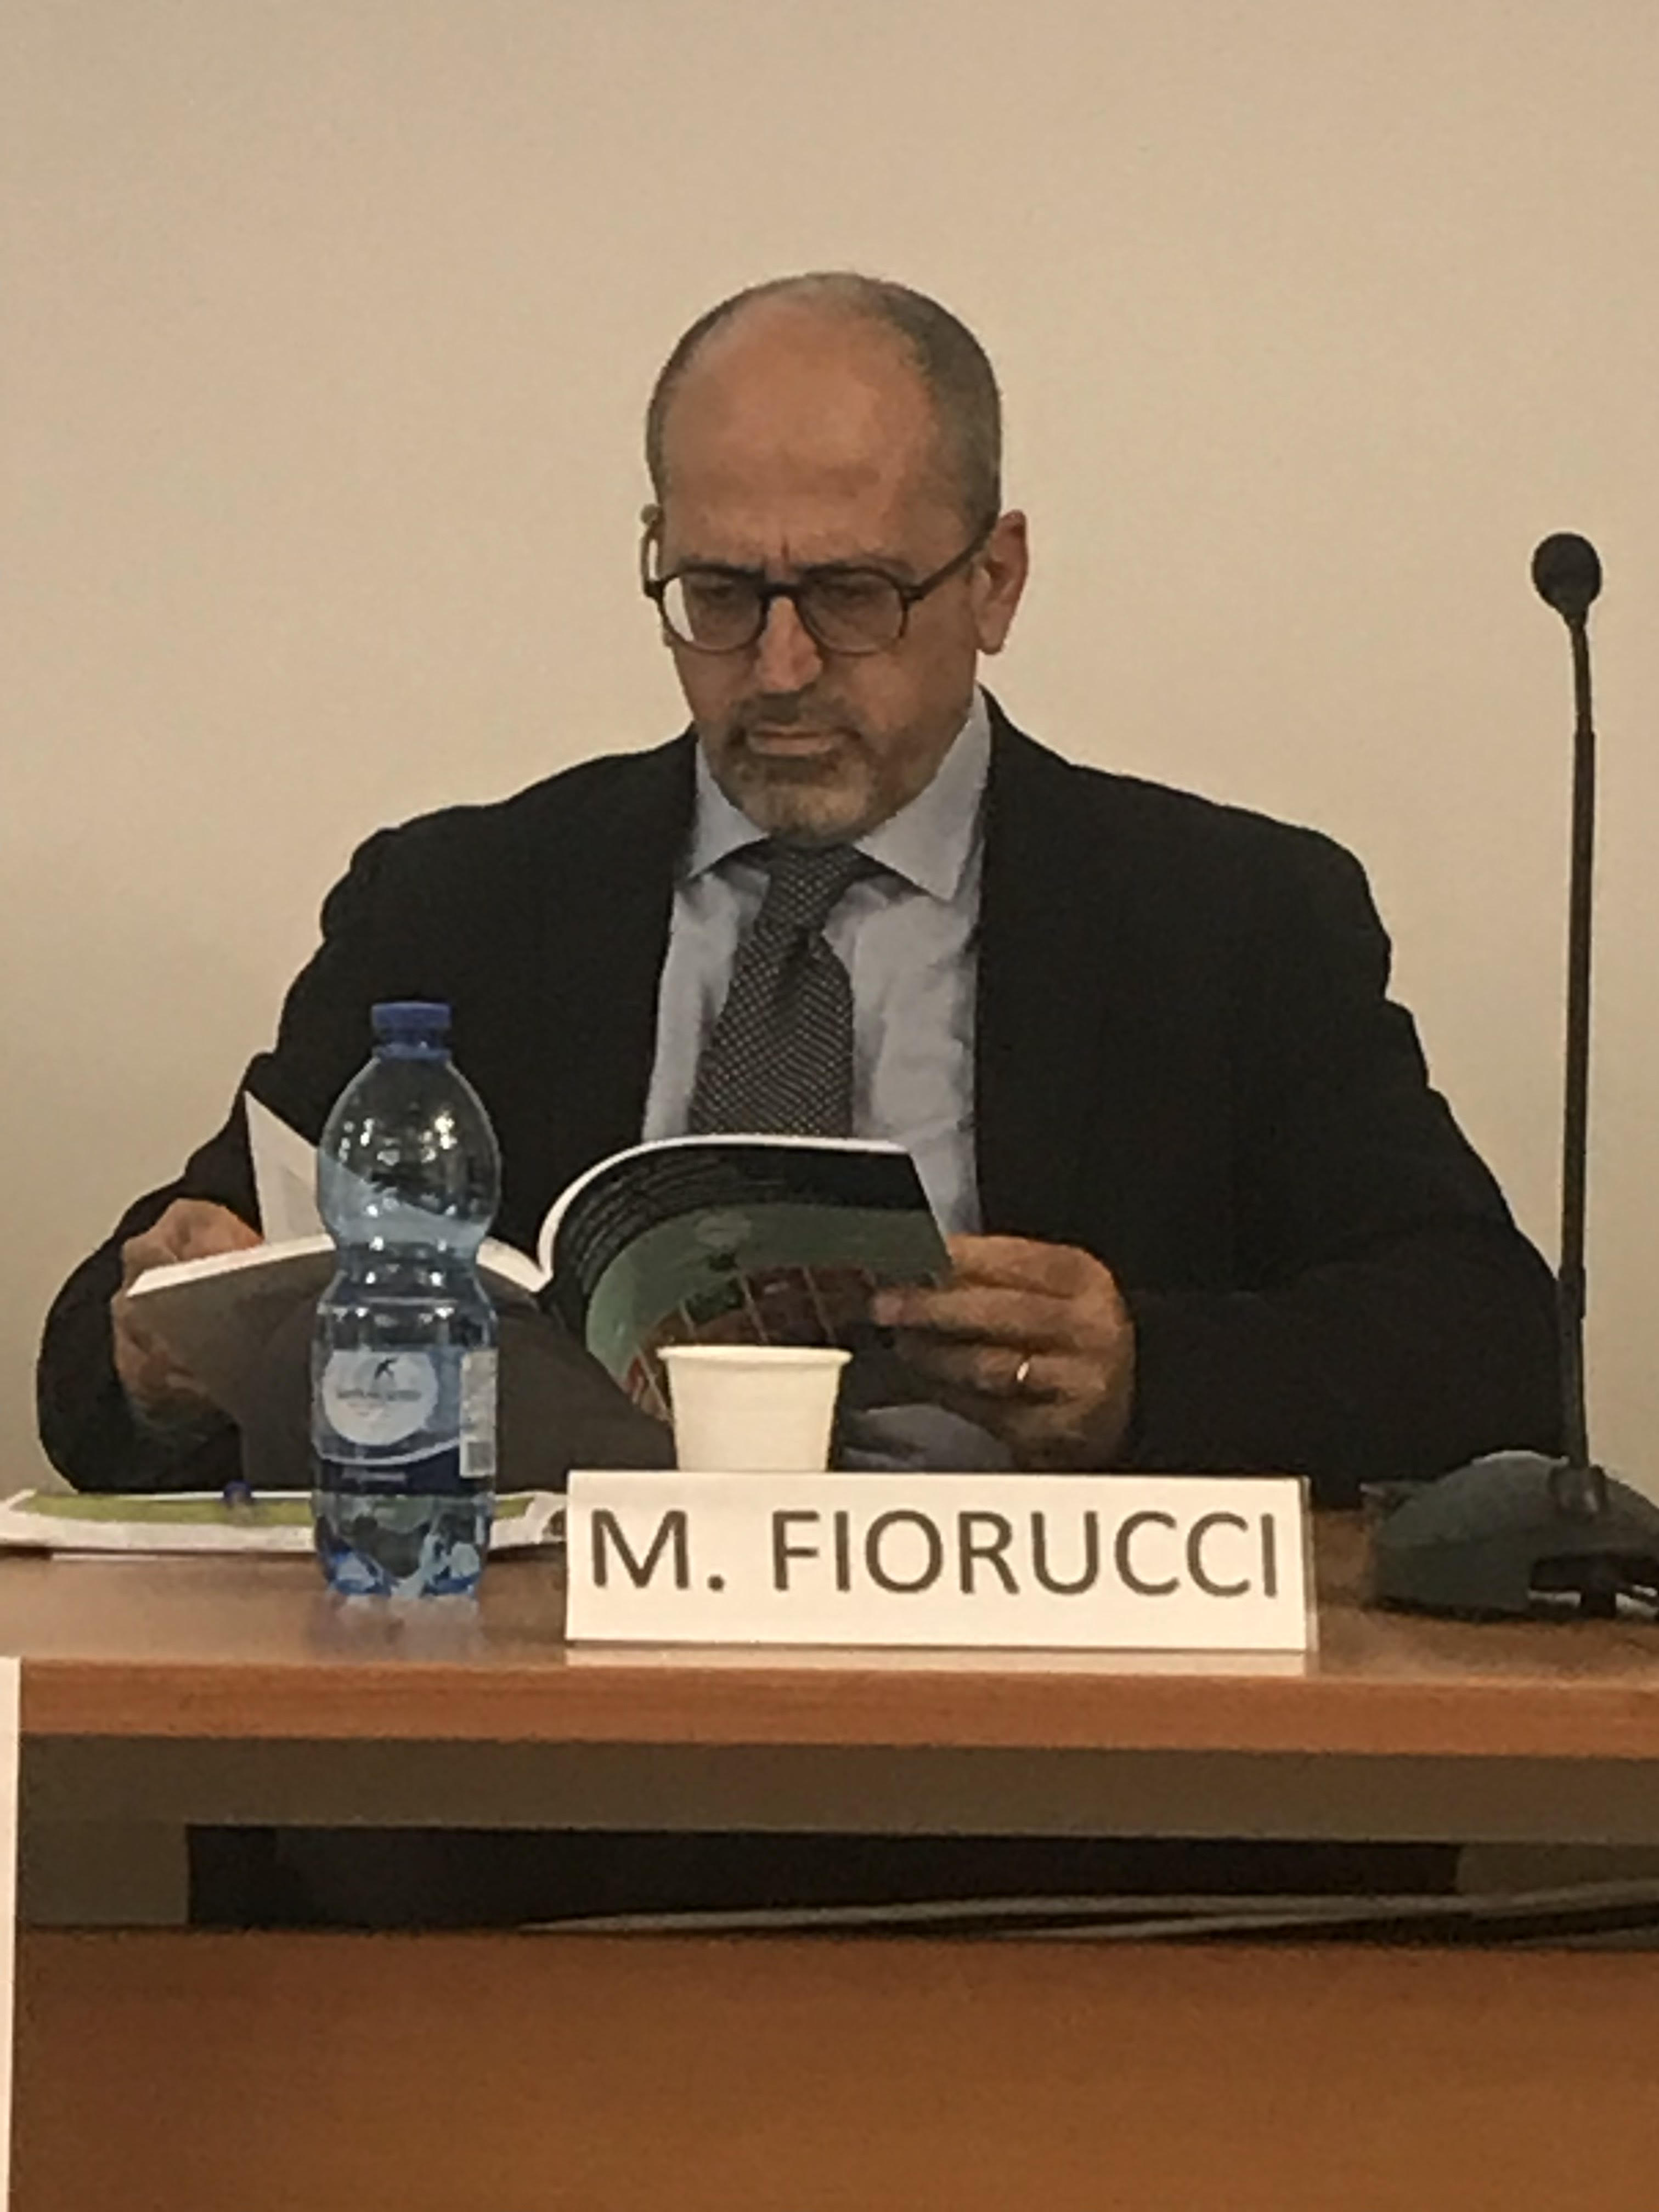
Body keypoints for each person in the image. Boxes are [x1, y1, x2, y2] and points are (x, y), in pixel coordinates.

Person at [37, 273, 1557, 1928]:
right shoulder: (463, 905)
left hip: (1066, 1799)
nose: (776, 665)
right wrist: (159, 1338)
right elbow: (131, 1354)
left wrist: (1143, 1376)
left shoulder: (1226, 920)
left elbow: (1487, 1347)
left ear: (995, 579)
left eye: (848, 595)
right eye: (717, 594)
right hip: (528, 1785)